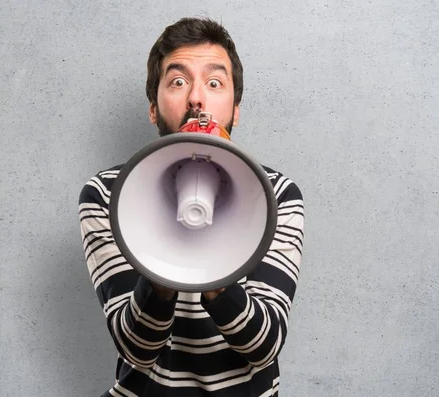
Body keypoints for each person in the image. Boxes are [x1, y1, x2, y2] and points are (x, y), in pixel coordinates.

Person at [78, 17, 305, 397]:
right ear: (153, 109)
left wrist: (213, 259)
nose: (197, 98)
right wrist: (164, 248)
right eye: (178, 82)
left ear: (236, 109)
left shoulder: (277, 194)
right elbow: (137, 349)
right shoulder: (108, 193)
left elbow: (263, 347)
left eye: (215, 83)